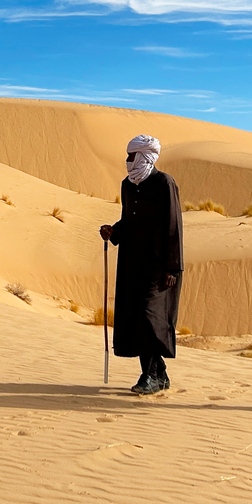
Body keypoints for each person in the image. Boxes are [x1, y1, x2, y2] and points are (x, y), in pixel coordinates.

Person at [99, 134, 184, 395]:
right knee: (138, 319)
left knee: (150, 318)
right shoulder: (127, 185)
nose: (127, 161)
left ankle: (150, 376)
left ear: (145, 156)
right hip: (131, 263)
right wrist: (114, 231)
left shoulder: (164, 183)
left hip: (159, 268)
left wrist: (173, 268)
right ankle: (159, 375)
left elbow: (173, 226)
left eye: (131, 156)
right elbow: (130, 220)